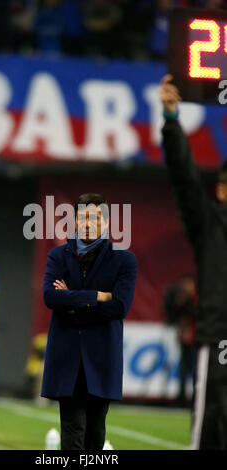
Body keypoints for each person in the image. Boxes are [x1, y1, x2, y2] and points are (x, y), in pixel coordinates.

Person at [160, 74, 227, 449]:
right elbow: (184, 180)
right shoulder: (208, 223)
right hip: (217, 343)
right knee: (206, 438)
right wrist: (171, 121)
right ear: (221, 190)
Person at [41, 193, 137, 450]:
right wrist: (96, 296)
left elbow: (118, 306)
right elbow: (50, 297)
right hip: (67, 358)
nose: (87, 224)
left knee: (95, 435)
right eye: (82, 218)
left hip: (102, 359)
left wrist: (72, 302)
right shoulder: (58, 256)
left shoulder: (124, 260)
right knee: (72, 434)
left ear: (106, 223)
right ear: (74, 222)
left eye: (94, 218)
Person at [164, 274, 197, 406]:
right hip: (185, 340)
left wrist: (186, 304)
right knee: (184, 370)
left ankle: (196, 398)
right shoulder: (180, 300)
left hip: (196, 341)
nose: (185, 288)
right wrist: (177, 304)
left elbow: (198, 315)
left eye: (187, 284)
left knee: (195, 371)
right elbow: (171, 316)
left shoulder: (197, 300)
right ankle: (181, 397)